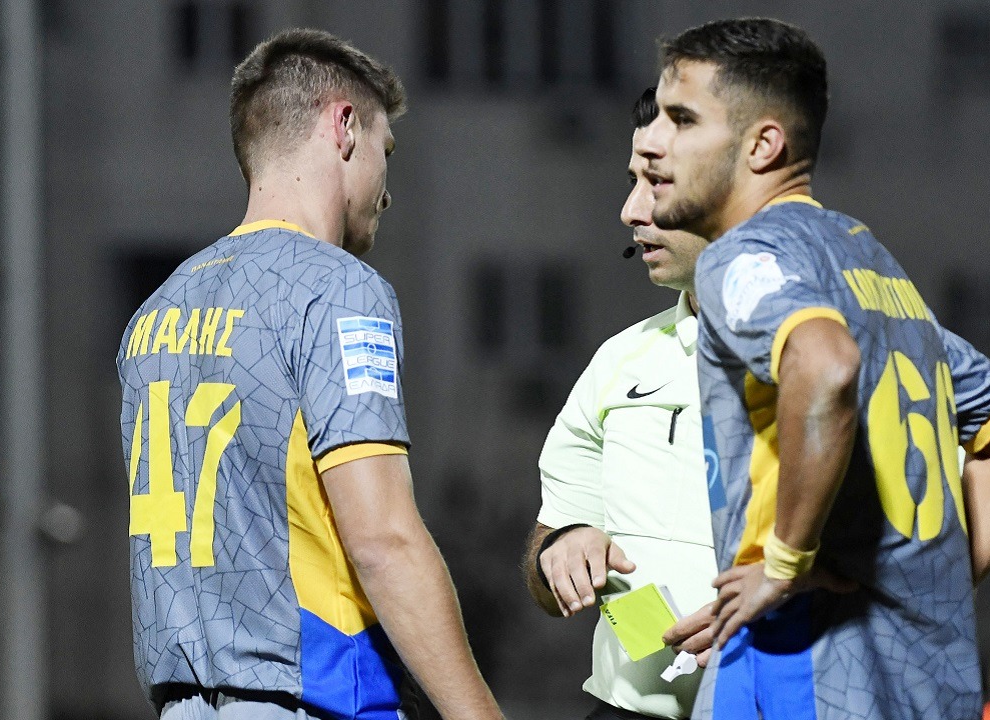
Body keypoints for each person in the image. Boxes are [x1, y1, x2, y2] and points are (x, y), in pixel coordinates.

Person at [638, 17, 990, 719]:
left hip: (804, 667)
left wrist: (783, 565)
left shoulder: (741, 257)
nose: (654, 141)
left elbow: (825, 364)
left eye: (681, 119)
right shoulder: (874, 271)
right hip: (924, 683)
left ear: (763, 144)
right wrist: (925, 585)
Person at [117, 29, 502, 720]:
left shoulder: (154, 313)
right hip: (308, 697)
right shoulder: (337, 289)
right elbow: (383, 541)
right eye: (387, 152)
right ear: (343, 126)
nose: (387, 191)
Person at [522, 88, 717, 720]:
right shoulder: (620, 360)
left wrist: (781, 619)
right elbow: (547, 551)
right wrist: (562, 549)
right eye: (633, 181)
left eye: (656, 182)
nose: (631, 210)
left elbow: (925, 556)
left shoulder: (836, 353)